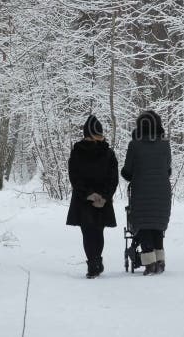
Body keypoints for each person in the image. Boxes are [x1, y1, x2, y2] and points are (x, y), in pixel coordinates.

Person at [66, 115, 119, 279]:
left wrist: (91, 195)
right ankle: (95, 262)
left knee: (89, 232)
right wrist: (103, 196)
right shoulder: (108, 153)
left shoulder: (78, 152)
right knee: (96, 231)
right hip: (96, 200)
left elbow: (75, 177)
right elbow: (113, 178)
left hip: (85, 200)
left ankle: (93, 263)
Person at [121, 110, 172, 276]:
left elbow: (127, 172)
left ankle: (149, 263)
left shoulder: (134, 145)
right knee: (157, 226)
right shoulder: (165, 144)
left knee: (143, 225)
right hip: (162, 191)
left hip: (142, 191)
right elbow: (168, 169)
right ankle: (160, 261)